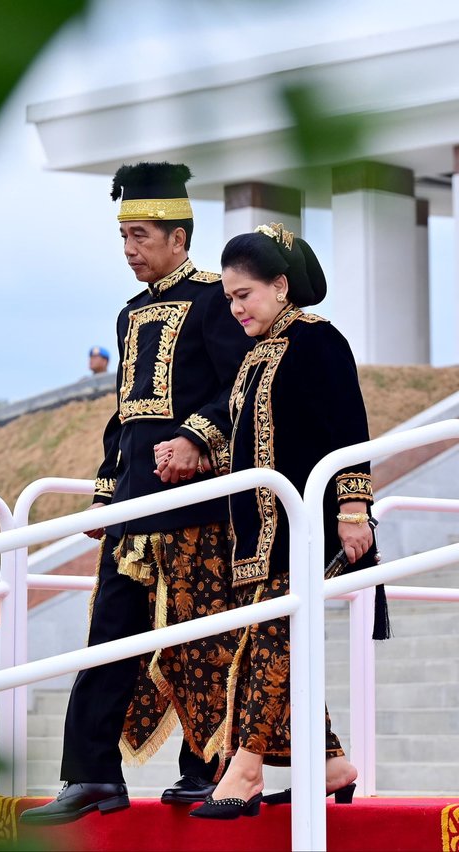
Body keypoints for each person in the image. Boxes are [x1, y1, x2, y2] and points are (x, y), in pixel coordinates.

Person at [20, 161, 253, 826]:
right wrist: (104, 492)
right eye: (124, 236)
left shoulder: (215, 299)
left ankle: (206, 772)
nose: (129, 249)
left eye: (142, 234)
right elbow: (123, 415)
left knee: (199, 643)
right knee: (107, 641)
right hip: (134, 507)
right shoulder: (129, 315)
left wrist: (198, 439)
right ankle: (94, 778)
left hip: (198, 508)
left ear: (179, 238)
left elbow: (239, 388)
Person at [188, 222, 389, 820]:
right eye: (228, 298)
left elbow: (349, 427)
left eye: (243, 295)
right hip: (257, 534)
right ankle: (330, 766)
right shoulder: (255, 355)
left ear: (280, 286)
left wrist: (354, 508)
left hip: (306, 530)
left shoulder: (317, 340)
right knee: (273, 641)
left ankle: (245, 767)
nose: (235, 307)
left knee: (271, 643)